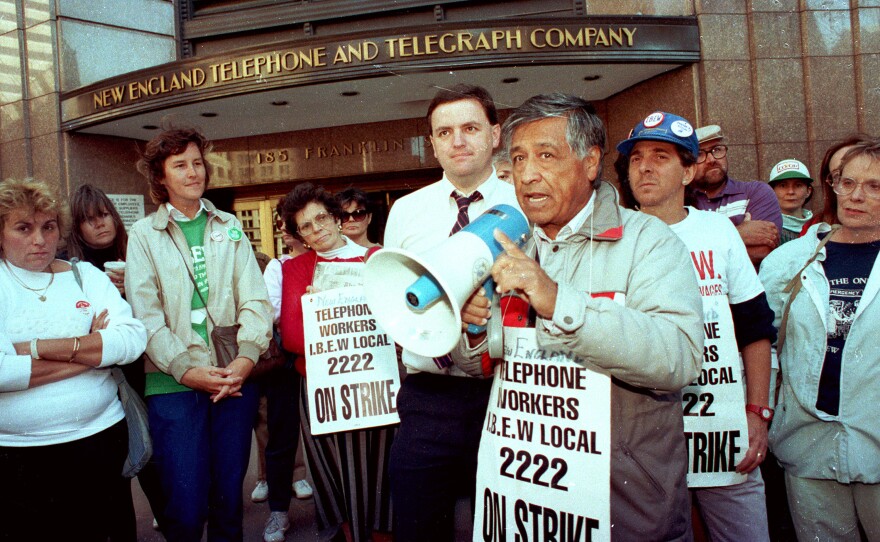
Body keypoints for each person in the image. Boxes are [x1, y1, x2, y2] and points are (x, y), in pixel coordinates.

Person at [477, 93, 704, 540]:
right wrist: (471, 328)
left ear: (590, 161)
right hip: (531, 500)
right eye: (518, 158)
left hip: (627, 502)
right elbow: (486, 365)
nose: (527, 174)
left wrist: (558, 301)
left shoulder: (648, 240)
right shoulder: (507, 245)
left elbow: (679, 356)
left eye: (546, 155)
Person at [617, 111, 776, 541]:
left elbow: (755, 328)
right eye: (636, 158)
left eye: (661, 156)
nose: (645, 167)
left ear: (689, 170)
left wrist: (757, 412)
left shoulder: (718, 232)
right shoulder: (611, 237)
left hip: (720, 428)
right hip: (644, 437)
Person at [383, 83, 521, 541]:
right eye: (444, 132)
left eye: (469, 128)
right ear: (433, 143)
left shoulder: (525, 205)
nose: (457, 141)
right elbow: (396, 299)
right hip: (429, 398)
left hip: (510, 392)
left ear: (495, 135)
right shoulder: (406, 210)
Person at [125, 127, 272, 542]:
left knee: (229, 501)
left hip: (232, 381)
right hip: (172, 384)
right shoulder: (143, 236)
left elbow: (256, 301)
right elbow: (145, 315)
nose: (193, 172)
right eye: (180, 165)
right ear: (160, 177)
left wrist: (245, 359)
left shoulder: (230, 227)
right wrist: (187, 370)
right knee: (185, 506)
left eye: (197, 162)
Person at [0, 178, 147, 542]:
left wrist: (32, 347)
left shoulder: (86, 276)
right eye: (24, 227)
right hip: (19, 459)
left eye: (48, 227)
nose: (39, 239)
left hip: (100, 443)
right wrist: (90, 353)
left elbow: (130, 340)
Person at [759, 137, 880, 542]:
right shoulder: (790, 261)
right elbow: (767, 346)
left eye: (875, 186)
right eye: (847, 183)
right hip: (809, 448)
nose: (856, 196)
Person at [278, 182, 393, 542]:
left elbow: (396, 320)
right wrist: (321, 311)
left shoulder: (377, 259)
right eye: (306, 226)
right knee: (336, 474)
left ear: (336, 217)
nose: (318, 229)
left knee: (379, 474)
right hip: (321, 388)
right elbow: (293, 338)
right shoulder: (296, 269)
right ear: (299, 235)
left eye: (322, 218)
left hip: (375, 384)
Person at [67, 183, 168, 540]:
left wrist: (135, 290)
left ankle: (169, 521)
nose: (100, 224)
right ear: (77, 228)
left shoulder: (136, 251)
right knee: (117, 469)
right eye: (89, 220)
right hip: (104, 379)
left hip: (146, 370)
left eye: (104, 214)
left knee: (156, 462)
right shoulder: (72, 269)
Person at [251, 219, 311, 542]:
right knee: (281, 435)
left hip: (331, 359)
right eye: (300, 225)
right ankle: (278, 512)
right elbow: (273, 310)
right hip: (288, 362)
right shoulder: (278, 267)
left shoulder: (334, 258)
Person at [691, 124, 783, 264]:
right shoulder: (681, 202)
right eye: (699, 154)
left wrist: (700, 248)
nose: (711, 159)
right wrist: (739, 233)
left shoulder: (756, 192)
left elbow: (763, 250)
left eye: (717, 150)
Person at [768, 160, 815, 244]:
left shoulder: (819, 227)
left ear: (808, 191)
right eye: (783, 185)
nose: (790, 191)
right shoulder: (766, 229)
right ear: (772, 191)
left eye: (798, 185)